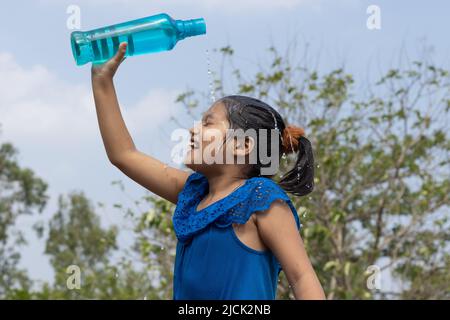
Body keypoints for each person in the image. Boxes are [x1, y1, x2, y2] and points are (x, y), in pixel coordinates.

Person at [91, 42, 325, 300]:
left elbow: (302, 278)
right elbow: (124, 155)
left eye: (207, 123)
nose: (193, 130)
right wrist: (103, 81)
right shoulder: (193, 192)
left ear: (242, 145)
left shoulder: (261, 197)